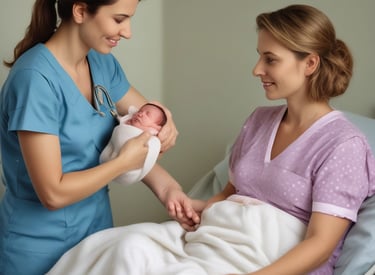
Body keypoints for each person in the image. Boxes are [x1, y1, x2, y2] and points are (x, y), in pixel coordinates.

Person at [0, 0, 199, 274]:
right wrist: (121, 164)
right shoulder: (35, 80)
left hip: (96, 235)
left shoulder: (101, 63)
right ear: (80, 11)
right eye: (119, 19)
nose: (128, 32)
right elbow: (53, 193)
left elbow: (142, 132)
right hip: (38, 247)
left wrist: (170, 190)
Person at [188, 4, 375, 274]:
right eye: (259, 57)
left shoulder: (344, 145)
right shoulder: (257, 121)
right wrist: (200, 211)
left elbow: (321, 244)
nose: (257, 70)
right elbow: (230, 195)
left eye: (270, 59)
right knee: (129, 247)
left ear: (310, 63)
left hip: (274, 267)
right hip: (222, 248)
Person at [100, 103, 167, 185]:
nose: (140, 114)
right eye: (140, 111)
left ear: (157, 127)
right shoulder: (129, 121)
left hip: (130, 161)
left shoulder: (152, 132)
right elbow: (120, 124)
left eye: (147, 114)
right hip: (115, 154)